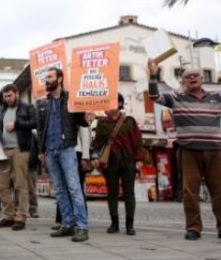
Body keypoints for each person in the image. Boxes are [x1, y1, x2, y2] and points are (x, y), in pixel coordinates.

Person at [147, 59, 221, 242]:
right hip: (188, 151)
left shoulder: (218, 96)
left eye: (196, 75)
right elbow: (154, 97)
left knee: (219, 191)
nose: (192, 78)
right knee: (190, 192)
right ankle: (193, 228)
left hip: (214, 150)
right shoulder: (176, 98)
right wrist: (153, 75)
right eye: (188, 76)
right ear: (183, 82)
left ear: (202, 79)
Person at [35, 67, 92, 242]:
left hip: (67, 148)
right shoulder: (43, 103)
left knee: (74, 188)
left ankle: (82, 226)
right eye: (46, 78)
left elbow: (81, 120)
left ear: (60, 79)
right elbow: (40, 129)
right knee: (59, 191)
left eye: (50, 77)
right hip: (50, 150)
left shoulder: (71, 99)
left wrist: (88, 117)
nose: (47, 80)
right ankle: (67, 224)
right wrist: (41, 150)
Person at [91, 93, 144, 235]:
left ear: (120, 104)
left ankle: (129, 225)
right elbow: (96, 143)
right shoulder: (102, 122)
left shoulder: (129, 121)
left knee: (129, 193)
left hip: (128, 161)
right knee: (112, 193)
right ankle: (114, 223)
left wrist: (139, 160)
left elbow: (138, 141)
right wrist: (95, 157)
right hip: (110, 162)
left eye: (112, 102)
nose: (108, 105)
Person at [0, 84, 37, 231]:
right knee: (2, 185)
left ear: (16, 94)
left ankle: (21, 217)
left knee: (20, 184)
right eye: (5, 96)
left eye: (10, 96)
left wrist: (17, 124)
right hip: (3, 150)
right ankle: (9, 215)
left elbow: (35, 123)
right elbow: (0, 127)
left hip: (20, 150)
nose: (7, 99)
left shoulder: (27, 107)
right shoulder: (3, 109)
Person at [53, 126, 91, 230]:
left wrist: (85, 156)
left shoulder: (76, 111)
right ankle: (61, 218)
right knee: (62, 187)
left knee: (76, 188)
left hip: (76, 151)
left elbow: (85, 136)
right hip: (60, 150)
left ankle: (81, 219)